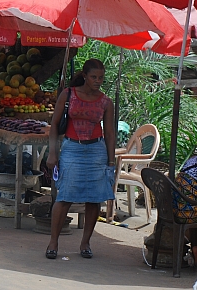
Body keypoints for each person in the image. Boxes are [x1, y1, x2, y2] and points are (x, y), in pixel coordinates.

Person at [45, 59, 115, 260]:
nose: (98, 81)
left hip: (96, 151)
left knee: (94, 199)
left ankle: (85, 242)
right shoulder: (68, 95)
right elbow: (54, 125)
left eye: (101, 77)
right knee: (64, 196)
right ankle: (53, 242)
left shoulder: (105, 102)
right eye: (94, 77)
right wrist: (52, 153)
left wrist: (111, 161)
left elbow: (110, 134)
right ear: (85, 76)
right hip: (72, 149)